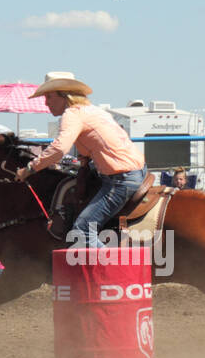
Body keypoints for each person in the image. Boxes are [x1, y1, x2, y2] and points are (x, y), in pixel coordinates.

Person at [14, 73, 147, 248]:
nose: (46, 102)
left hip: (120, 179)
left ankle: (112, 271)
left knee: (82, 230)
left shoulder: (72, 114)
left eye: (49, 96)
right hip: (136, 170)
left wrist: (29, 169)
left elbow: (60, 148)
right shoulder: (93, 111)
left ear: (64, 96)